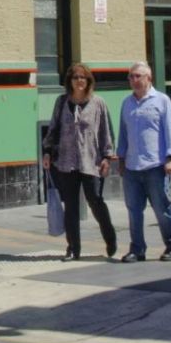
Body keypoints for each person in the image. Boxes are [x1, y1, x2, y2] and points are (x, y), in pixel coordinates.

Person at [43, 63, 117, 261]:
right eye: (75, 77)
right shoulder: (61, 102)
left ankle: (110, 236)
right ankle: (73, 249)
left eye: (83, 77)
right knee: (71, 207)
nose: (79, 81)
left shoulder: (98, 103)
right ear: (70, 81)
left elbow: (106, 132)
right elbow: (53, 128)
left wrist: (107, 157)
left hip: (91, 161)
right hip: (66, 162)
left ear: (88, 81)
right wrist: (48, 152)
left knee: (95, 201)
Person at [115, 60, 171, 262]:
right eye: (131, 76)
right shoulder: (127, 103)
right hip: (132, 166)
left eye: (137, 76)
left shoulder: (162, 101)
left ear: (148, 78)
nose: (133, 80)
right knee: (134, 211)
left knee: (162, 209)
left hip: (156, 165)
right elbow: (123, 132)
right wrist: (121, 158)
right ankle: (137, 249)